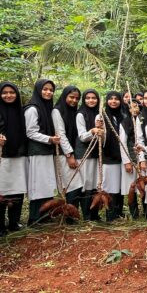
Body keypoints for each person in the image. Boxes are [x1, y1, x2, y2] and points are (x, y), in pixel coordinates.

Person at [0, 82, 28, 237]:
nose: (9, 95)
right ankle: (0, 225)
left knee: (17, 189)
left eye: (12, 92)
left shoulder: (21, 111)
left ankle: (14, 222)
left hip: (19, 154)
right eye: (5, 92)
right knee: (0, 190)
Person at [24, 79, 63, 225]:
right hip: (37, 152)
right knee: (38, 185)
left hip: (46, 152)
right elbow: (31, 132)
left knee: (47, 184)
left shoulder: (46, 107)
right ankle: (34, 217)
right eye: (45, 89)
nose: (48, 92)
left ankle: (45, 215)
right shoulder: (33, 108)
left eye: (51, 90)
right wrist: (49, 139)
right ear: (38, 90)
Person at [50, 86, 84, 218]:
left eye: (77, 98)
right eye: (71, 97)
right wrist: (69, 155)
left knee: (75, 184)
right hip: (64, 154)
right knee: (72, 185)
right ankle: (69, 215)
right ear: (64, 97)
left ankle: (71, 215)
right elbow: (61, 134)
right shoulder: (57, 111)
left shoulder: (74, 111)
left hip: (74, 152)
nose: (74, 100)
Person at [102, 91, 134, 221]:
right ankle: (110, 214)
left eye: (116, 99)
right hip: (108, 156)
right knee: (110, 186)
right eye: (111, 99)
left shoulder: (124, 115)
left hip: (123, 156)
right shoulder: (102, 116)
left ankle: (119, 212)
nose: (114, 101)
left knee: (120, 186)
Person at [75, 89, 103, 220]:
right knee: (86, 183)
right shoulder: (80, 114)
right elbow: (82, 136)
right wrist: (92, 131)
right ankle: (86, 215)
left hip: (97, 154)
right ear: (84, 100)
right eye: (88, 98)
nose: (91, 100)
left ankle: (94, 214)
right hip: (84, 154)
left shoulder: (100, 114)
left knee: (96, 184)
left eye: (94, 98)